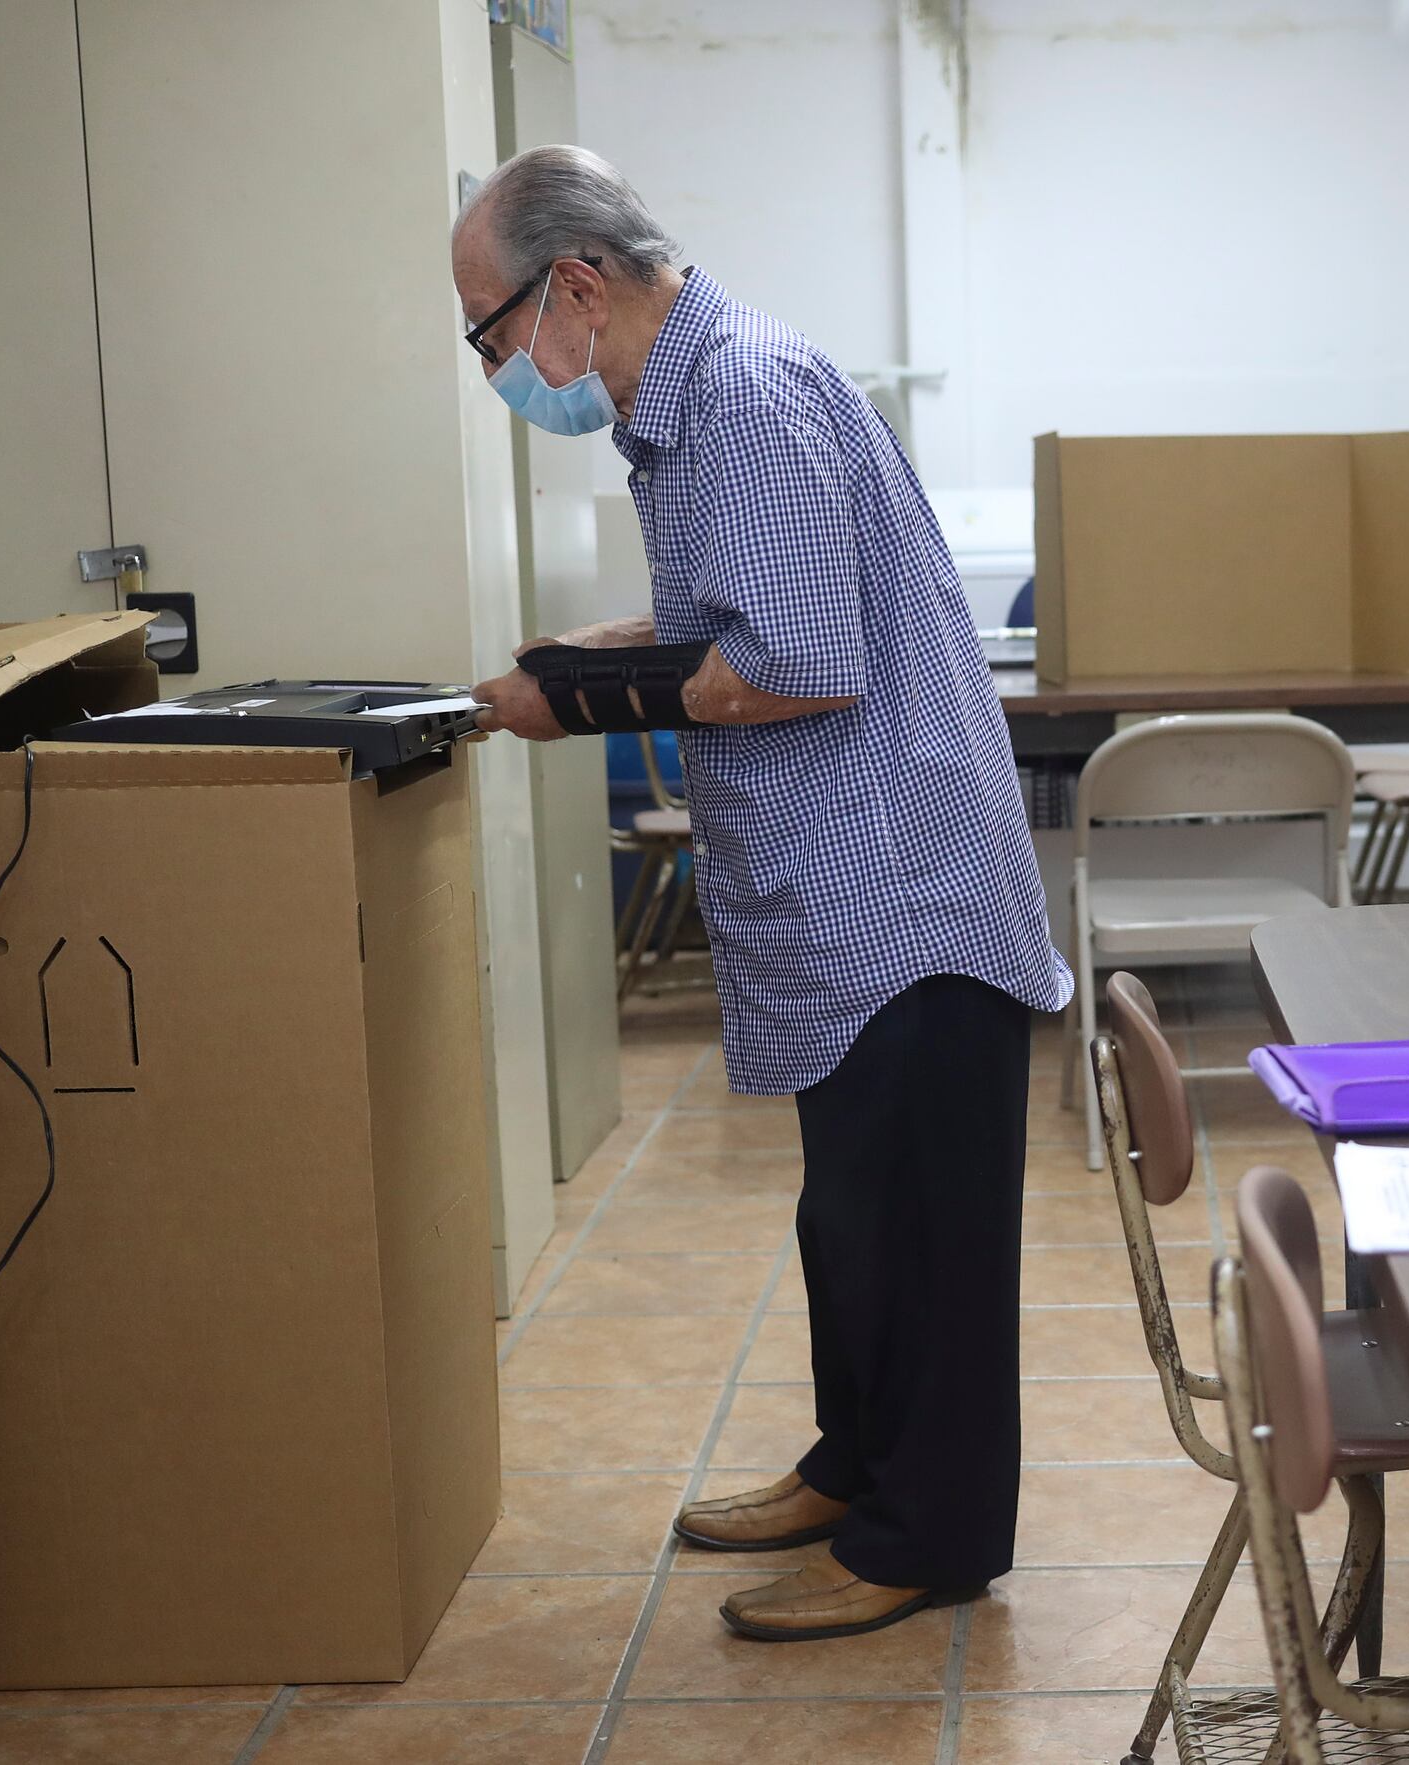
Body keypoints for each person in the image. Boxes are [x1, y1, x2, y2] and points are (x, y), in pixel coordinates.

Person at [453, 146, 1071, 1642]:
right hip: (851, 888)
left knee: (920, 1227)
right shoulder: (692, 406)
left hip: (902, 892)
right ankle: (857, 1466)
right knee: (856, 1217)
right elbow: (729, 613)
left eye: (489, 331)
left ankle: (925, 1534)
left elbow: (788, 666)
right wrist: (573, 657)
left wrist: (574, 709)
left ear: (577, 286)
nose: (494, 366)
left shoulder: (743, 395)